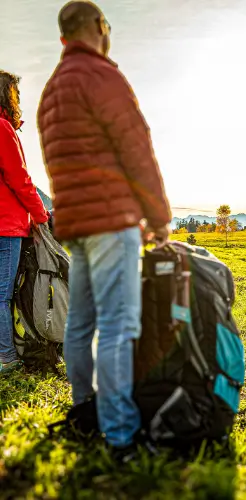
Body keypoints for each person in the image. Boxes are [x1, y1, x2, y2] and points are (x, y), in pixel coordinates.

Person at [37, 1, 171, 458]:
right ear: (99, 27)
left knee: (81, 324)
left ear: (62, 39)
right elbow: (137, 147)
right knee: (118, 325)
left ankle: (86, 412)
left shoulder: (52, 89)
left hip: (74, 224)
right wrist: (158, 215)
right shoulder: (102, 76)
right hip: (111, 221)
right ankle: (121, 433)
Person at [0, 70, 49, 373]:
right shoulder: (2, 129)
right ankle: (7, 358)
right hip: (6, 226)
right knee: (3, 295)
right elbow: (19, 179)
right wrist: (42, 215)